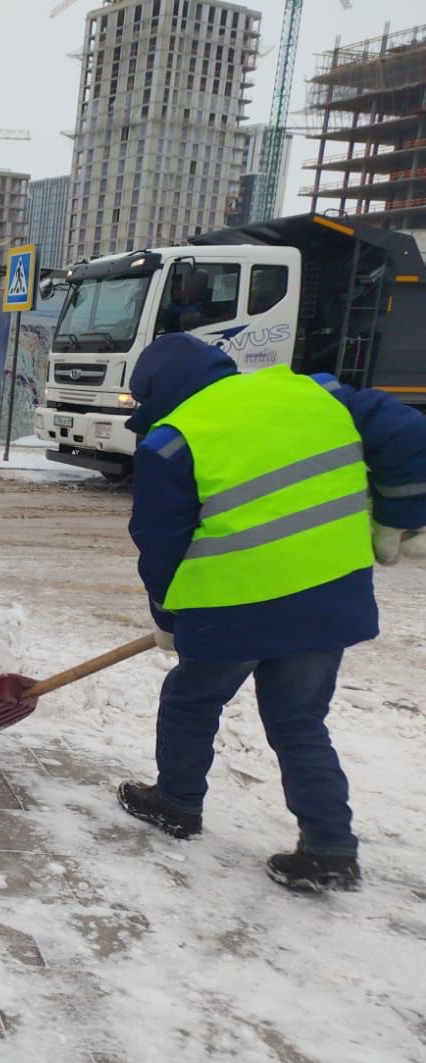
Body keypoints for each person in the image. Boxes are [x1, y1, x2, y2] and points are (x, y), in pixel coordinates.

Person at [119, 333, 426, 892]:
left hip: (234, 607)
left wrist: (167, 617)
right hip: (326, 598)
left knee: (191, 701)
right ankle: (330, 848)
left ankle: (176, 804)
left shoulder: (172, 442)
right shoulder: (316, 392)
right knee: (299, 720)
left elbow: (160, 543)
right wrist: (401, 515)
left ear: (155, 392)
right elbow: (410, 433)